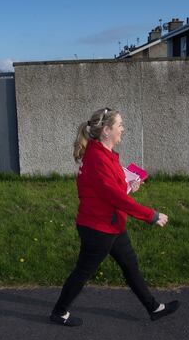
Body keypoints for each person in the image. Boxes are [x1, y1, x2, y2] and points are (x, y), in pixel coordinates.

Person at [50, 108, 179, 326]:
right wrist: (151, 215)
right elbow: (116, 198)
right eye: (119, 125)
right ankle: (59, 312)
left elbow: (110, 190)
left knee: (130, 266)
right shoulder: (98, 160)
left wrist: (129, 184)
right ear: (106, 130)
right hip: (98, 228)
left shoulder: (103, 154)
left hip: (111, 224)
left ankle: (154, 307)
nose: (122, 129)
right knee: (82, 272)